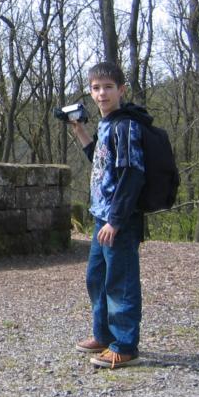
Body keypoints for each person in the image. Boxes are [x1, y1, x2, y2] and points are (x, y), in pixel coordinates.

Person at [68, 61, 146, 369]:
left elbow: (132, 173)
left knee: (120, 281)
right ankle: (103, 335)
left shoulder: (126, 125)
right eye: (96, 88)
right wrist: (79, 131)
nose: (102, 94)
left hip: (119, 220)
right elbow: (101, 162)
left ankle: (125, 345)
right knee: (96, 277)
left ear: (121, 90)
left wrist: (116, 220)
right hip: (102, 216)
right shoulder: (107, 125)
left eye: (108, 88)